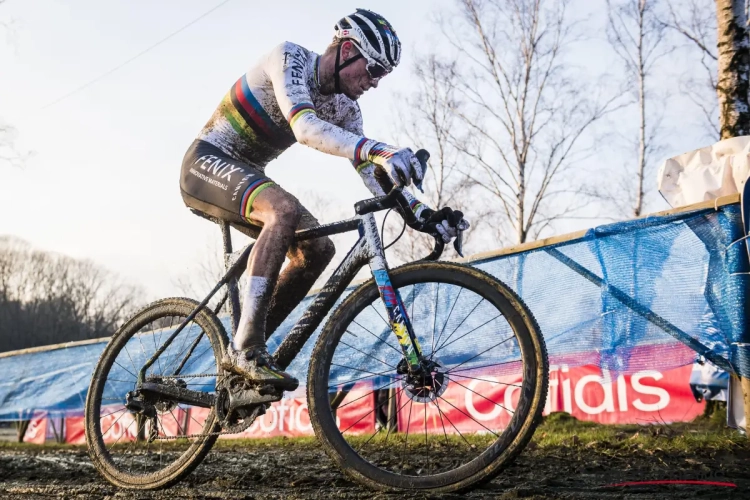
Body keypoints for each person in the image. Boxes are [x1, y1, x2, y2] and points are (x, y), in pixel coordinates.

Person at [179, 9, 469, 392]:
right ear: (347, 49)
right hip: (208, 162)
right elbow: (305, 127)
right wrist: (380, 149)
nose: (375, 83)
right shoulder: (289, 58)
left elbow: (372, 175)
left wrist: (424, 214)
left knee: (317, 248)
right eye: (375, 69)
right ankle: (245, 349)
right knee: (281, 211)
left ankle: (248, 345)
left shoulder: (347, 109)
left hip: (249, 173)